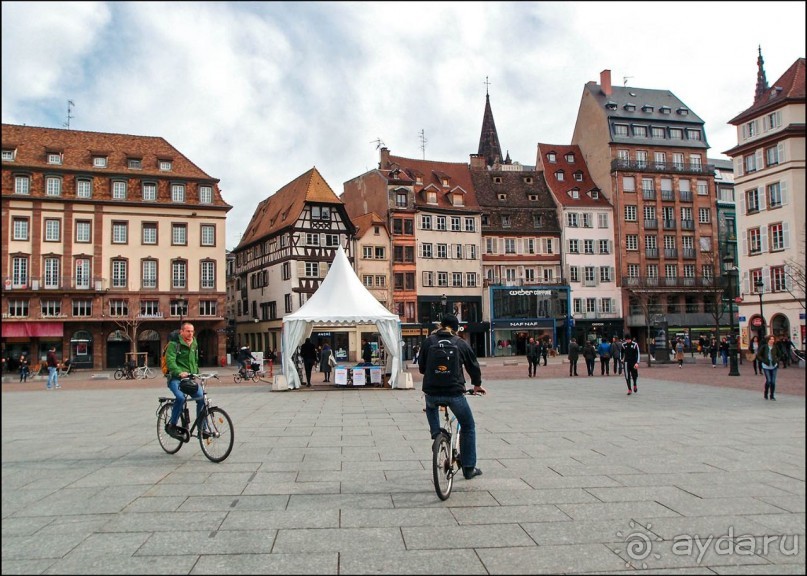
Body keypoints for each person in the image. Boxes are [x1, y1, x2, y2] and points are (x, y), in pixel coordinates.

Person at [419, 314, 486, 480]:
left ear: (440, 325)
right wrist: (476, 384)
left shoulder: (429, 342)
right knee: (468, 426)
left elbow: (421, 368)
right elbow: (473, 366)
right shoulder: (460, 343)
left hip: (432, 392)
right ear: (456, 328)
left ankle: (436, 434)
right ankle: (469, 468)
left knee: (431, 404)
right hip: (454, 392)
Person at [165, 322, 204, 437]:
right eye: (188, 331)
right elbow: (170, 361)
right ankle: (172, 425)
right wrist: (179, 372)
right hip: (176, 379)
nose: (190, 333)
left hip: (190, 378)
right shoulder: (174, 344)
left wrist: (197, 374)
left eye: (192, 331)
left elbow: (195, 361)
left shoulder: (194, 343)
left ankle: (202, 428)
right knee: (180, 398)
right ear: (181, 332)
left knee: (201, 399)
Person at [756, 334, 782, 400]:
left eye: (773, 339)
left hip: (774, 366)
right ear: (768, 340)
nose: (772, 340)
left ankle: (772, 395)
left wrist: (777, 360)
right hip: (766, 366)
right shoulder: (764, 347)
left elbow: (779, 355)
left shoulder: (775, 347)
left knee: (773, 382)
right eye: (770, 339)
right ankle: (766, 393)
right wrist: (764, 361)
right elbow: (758, 355)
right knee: (769, 381)